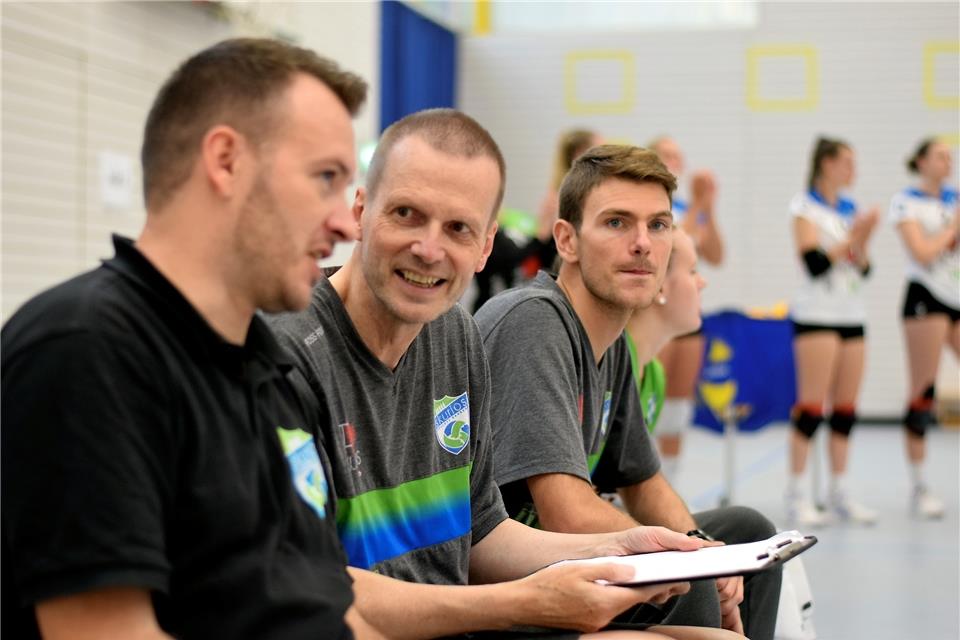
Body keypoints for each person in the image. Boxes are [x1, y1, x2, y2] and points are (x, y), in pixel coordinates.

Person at [269, 110, 742, 640]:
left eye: (458, 228)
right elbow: (309, 589)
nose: (429, 248)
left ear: (486, 246)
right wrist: (523, 601)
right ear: (359, 212)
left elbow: (484, 535)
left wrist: (615, 548)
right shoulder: (286, 353)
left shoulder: (454, 336)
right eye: (405, 214)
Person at [1, 38, 383, 639]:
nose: (344, 222)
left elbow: (328, 606)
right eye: (326, 178)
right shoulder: (86, 351)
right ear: (227, 161)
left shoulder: (273, 372)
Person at [475, 145, 781, 640]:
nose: (643, 243)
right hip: (503, 583)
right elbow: (567, 514)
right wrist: (692, 558)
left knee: (746, 535)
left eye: (658, 225)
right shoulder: (534, 321)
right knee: (687, 577)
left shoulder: (610, 341)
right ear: (567, 240)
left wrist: (703, 544)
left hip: (563, 564)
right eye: (617, 223)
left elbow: (642, 482)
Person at [786, 136, 880, 527]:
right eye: (846, 162)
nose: (852, 171)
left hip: (851, 314)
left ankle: (839, 491)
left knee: (845, 411)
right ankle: (797, 494)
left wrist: (863, 242)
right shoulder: (804, 207)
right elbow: (815, 264)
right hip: (817, 316)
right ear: (826, 163)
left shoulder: (849, 209)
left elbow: (864, 268)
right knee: (811, 409)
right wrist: (853, 239)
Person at [889, 137, 959, 518]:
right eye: (940, 156)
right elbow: (924, 253)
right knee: (923, 390)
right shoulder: (906, 202)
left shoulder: (952, 198)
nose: (948, 161)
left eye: (951, 156)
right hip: (925, 297)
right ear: (921, 161)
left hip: (956, 294)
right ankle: (919, 485)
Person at [647, 136, 724, 482]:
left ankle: (672, 483)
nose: (674, 161)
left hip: (688, 317)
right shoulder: (654, 210)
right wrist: (698, 207)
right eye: (666, 155)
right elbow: (678, 246)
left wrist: (710, 207)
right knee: (650, 400)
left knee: (678, 406)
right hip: (656, 313)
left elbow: (717, 255)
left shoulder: (691, 210)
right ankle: (638, 482)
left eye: (678, 156)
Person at [625, 229, 707, 433]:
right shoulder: (604, 368)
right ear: (659, 287)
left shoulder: (655, 375)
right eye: (692, 271)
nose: (703, 282)